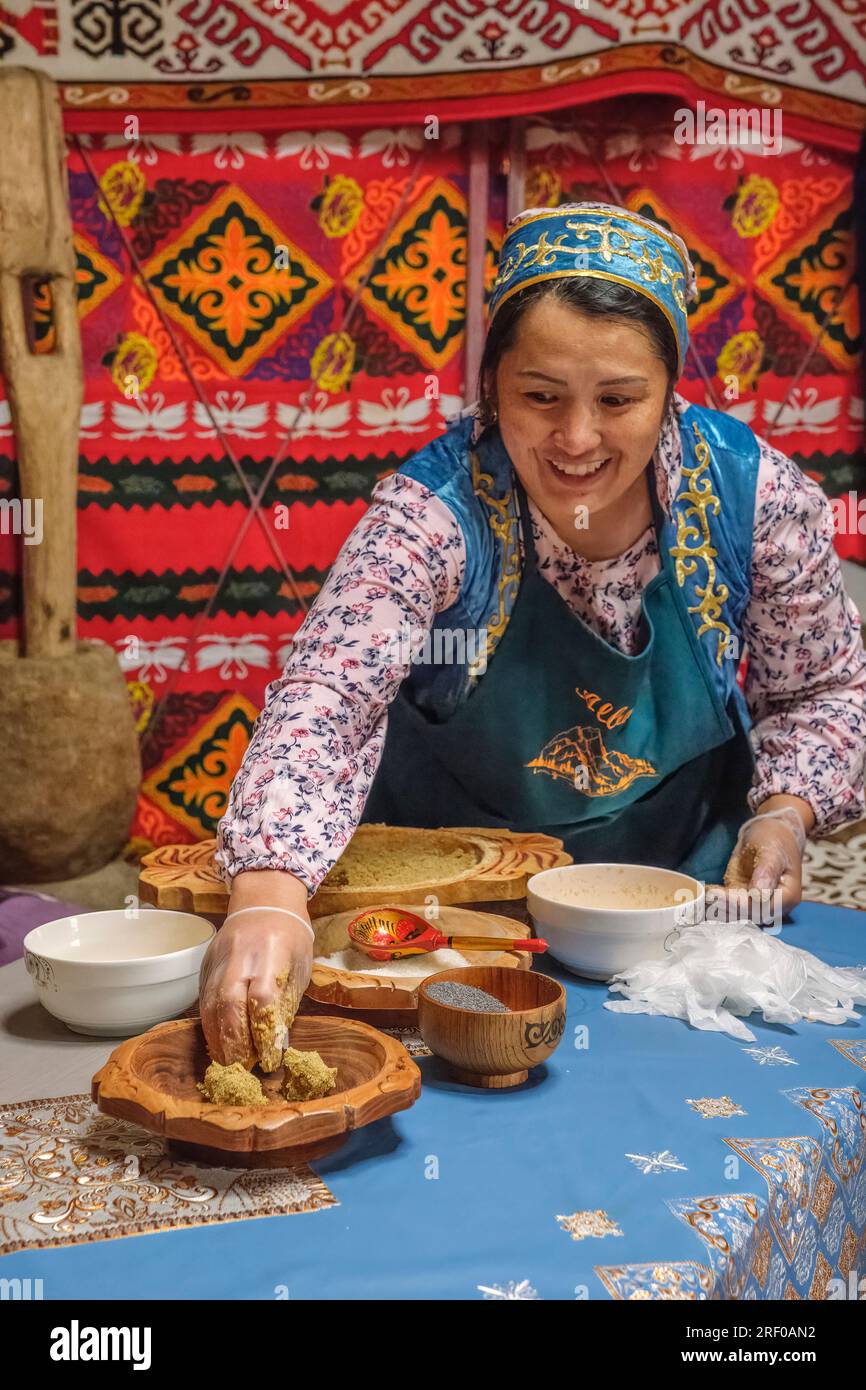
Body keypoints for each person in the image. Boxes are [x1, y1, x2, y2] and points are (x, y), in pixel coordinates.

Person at [199, 202, 866, 1071]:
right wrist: (268, 901)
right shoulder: (433, 514)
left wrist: (784, 813)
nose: (577, 440)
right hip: (451, 925)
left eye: (619, 399)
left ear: (671, 394)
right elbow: (330, 693)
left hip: (680, 909)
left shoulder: (753, 498)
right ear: (490, 387)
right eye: (540, 397)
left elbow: (820, 690)